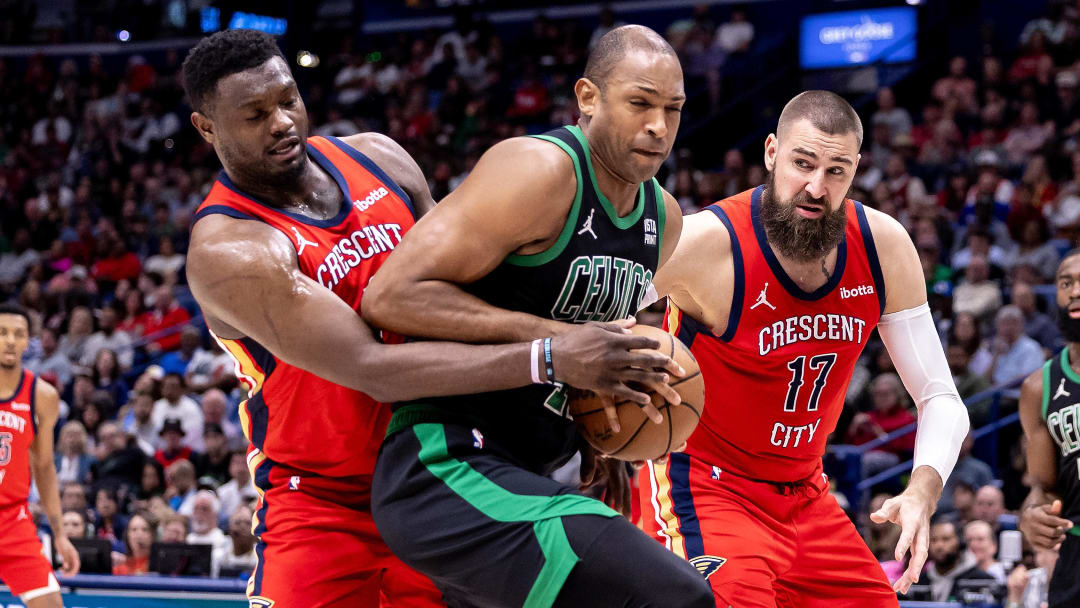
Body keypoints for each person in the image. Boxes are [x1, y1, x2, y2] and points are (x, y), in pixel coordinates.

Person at [182, 28, 677, 608]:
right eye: (254, 114)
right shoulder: (230, 249)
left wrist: (575, 418)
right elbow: (374, 368)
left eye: (288, 99)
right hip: (320, 502)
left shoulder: (379, 158)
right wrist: (555, 355)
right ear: (207, 127)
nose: (283, 122)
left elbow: (480, 296)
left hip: (450, 467)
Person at [363, 25, 713, 608]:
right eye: (640, 103)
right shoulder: (538, 171)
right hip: (446, 463)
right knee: (677, 598)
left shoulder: (664, 219)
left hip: (541, 468)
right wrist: (558, 343)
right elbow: (392, 295)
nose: (659, 126)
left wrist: (603, 437)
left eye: (672, 110)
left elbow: (586, 358)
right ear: (588, 98)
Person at [638, 91, 970, 604]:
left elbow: (940, 396)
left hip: (806, 494)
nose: (816, 187)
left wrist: (923, 489)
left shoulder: (884, 247)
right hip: (704, 484)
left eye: (836, 171)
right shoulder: (706, 242)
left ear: (856, 170)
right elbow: (588, 312)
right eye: (802, 163)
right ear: (771, 153)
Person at [0, 304, 79, 607]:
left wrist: (59, 535)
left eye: (17, 334)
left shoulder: (41, 395)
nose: (9, 340)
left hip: (13, 519)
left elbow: (44, 467)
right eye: (2, 333)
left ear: (27, 342)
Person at [1017, 249, 1080, 607]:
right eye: (1066, 283)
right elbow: (1044, 487)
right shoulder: (1038, 388)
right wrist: (1031, 516)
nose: (1075, 291)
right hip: (1075, 558)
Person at [211, 504, 258, 578]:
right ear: (229, 528)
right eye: (237, 523)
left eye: (247, 523)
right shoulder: (219, 556)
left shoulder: (261, 556)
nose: (242, 527)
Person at [963, 519, 1006, 584]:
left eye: (980, 539)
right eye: (969, 540)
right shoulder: (960, 574)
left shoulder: (1005, 574)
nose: (973, 544)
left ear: (994, 545)